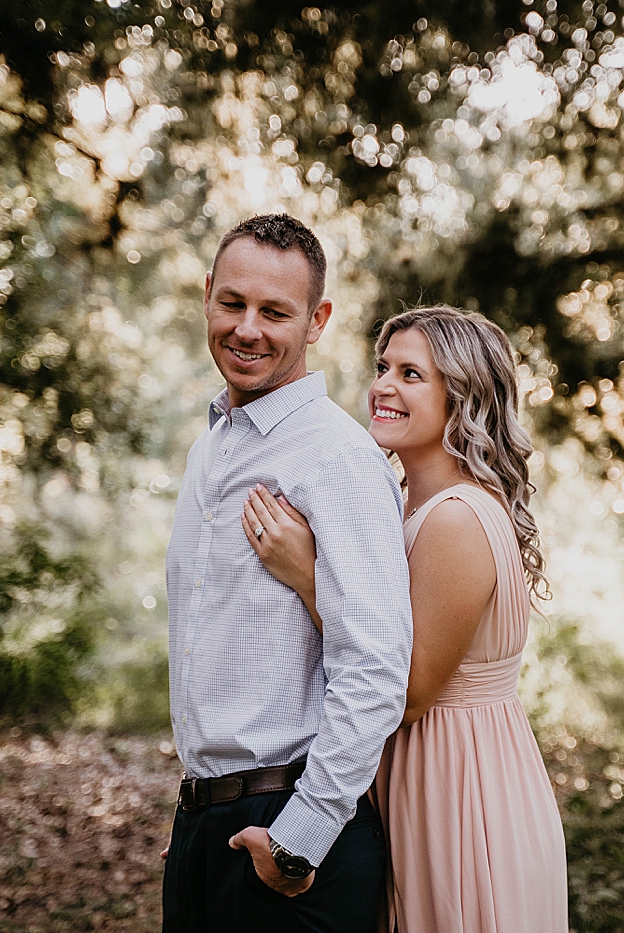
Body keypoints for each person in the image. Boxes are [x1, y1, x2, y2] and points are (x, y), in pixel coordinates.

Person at [242, 306, 569, 932]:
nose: (383, 386)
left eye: (412, 374)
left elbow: (412, 690)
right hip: (424, 776)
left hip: (463, 789)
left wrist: (307, 574)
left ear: (461, 397)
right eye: (383, 367)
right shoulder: (407, 508)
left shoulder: (455, 519)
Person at [161, 214, 413, 933]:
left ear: (317, 320)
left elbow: (376, 666)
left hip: (294, 836)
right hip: (202, 830)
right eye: (232, 303)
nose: (247, 329)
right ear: (207, 294)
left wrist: (298, 842)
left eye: (275, 312)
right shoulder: (208, 450)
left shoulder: (338, 457)